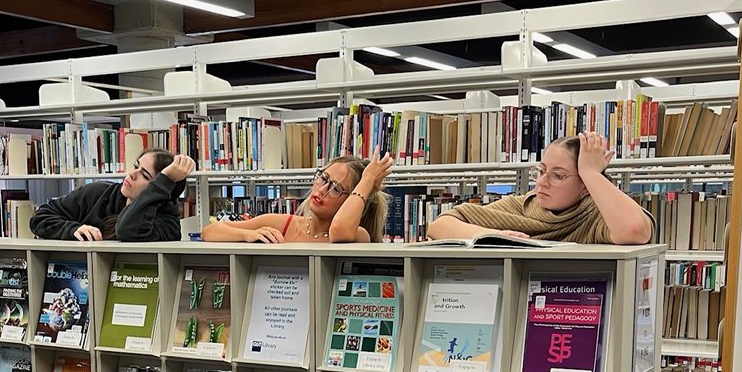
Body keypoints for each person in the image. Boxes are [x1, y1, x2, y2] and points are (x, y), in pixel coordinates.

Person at [426, 133, 653, 244]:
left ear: (585, 187)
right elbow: (439, 226)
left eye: (558, 175)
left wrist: (592, 172)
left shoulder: (597, 216)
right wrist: (491, 236)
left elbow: (635, 230)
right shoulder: (523, 205)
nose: (542, 182)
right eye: (541, 170)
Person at [200, 153, 392, 244]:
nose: (322, 190)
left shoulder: (358, 235)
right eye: (323, 178)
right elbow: (210, 232)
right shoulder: (281, 223)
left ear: (352, 201)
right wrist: (246, 235)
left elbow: (339, 231)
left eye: (336, 189)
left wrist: (366, 182)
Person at [29, 150, 194, 242]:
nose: (131, 174)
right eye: (135, 166)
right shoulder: (97, 193)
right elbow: (40, 218)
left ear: (161, 189)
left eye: (144, 175)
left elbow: (127, 229)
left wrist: (165, 179)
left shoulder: (168, 225)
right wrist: (73, 229)